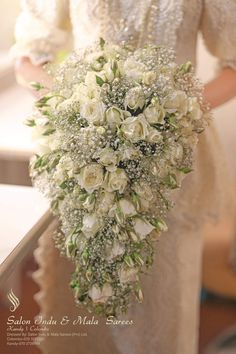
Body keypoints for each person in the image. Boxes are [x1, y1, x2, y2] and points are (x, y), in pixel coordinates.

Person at [11, 1, 236, 353]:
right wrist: (76, 104)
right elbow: (28, 56)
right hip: (83, 159)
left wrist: (169, 110)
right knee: (84, 313)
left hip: (172, 163)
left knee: (163, 313)